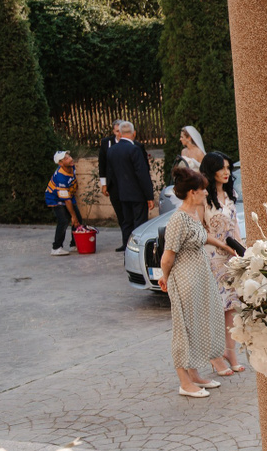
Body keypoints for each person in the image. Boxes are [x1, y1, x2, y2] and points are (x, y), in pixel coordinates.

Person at [158, 166, 232, 397]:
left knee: (199, 325)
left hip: (199, 279)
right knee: (185, 330)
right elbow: (167, 256)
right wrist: (166, 278)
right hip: (185, 280)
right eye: (203, 190)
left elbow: (201, 236)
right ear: (192, 192)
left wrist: (222, 245)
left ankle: (195, 375)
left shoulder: (192, 215)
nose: (206, 193)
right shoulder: (178, 219)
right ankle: (184, 382)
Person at [201, 151, 246, 376]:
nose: (226, 172)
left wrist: (241, 251)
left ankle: (230, 353)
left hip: (230, 257)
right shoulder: (203, 197)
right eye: (221, 168)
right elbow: (201, 230)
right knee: (216, 310)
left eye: (228, 167)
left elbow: (235, 226)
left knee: (231, 308)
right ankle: (215, 355)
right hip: (211, 258)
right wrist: (223, 246)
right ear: (211, 170)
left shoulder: (230, 195)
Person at [99, 120, 156, 253]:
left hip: (121, 193)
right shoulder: (134, 149)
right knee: (139, 223)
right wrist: (149, 196)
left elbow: (111, 172)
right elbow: (142, 174)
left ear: (120, 133)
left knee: (126, 222)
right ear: (133, 133)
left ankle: (127, 249)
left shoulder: (112, 150)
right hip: (137, 194)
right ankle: (138, 251)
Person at [45, 151, 79, 256]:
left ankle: (74, 244)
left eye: (69, 156)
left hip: (68, 195)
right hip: (55, 198)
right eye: (66, 158)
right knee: (64, 220)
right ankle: (56, 247)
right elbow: (66, 200)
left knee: (78, 219)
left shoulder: (71, 167)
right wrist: (73, 216)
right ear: (60, 163)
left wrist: (75, 217)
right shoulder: (61, 177)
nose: (70, 159)